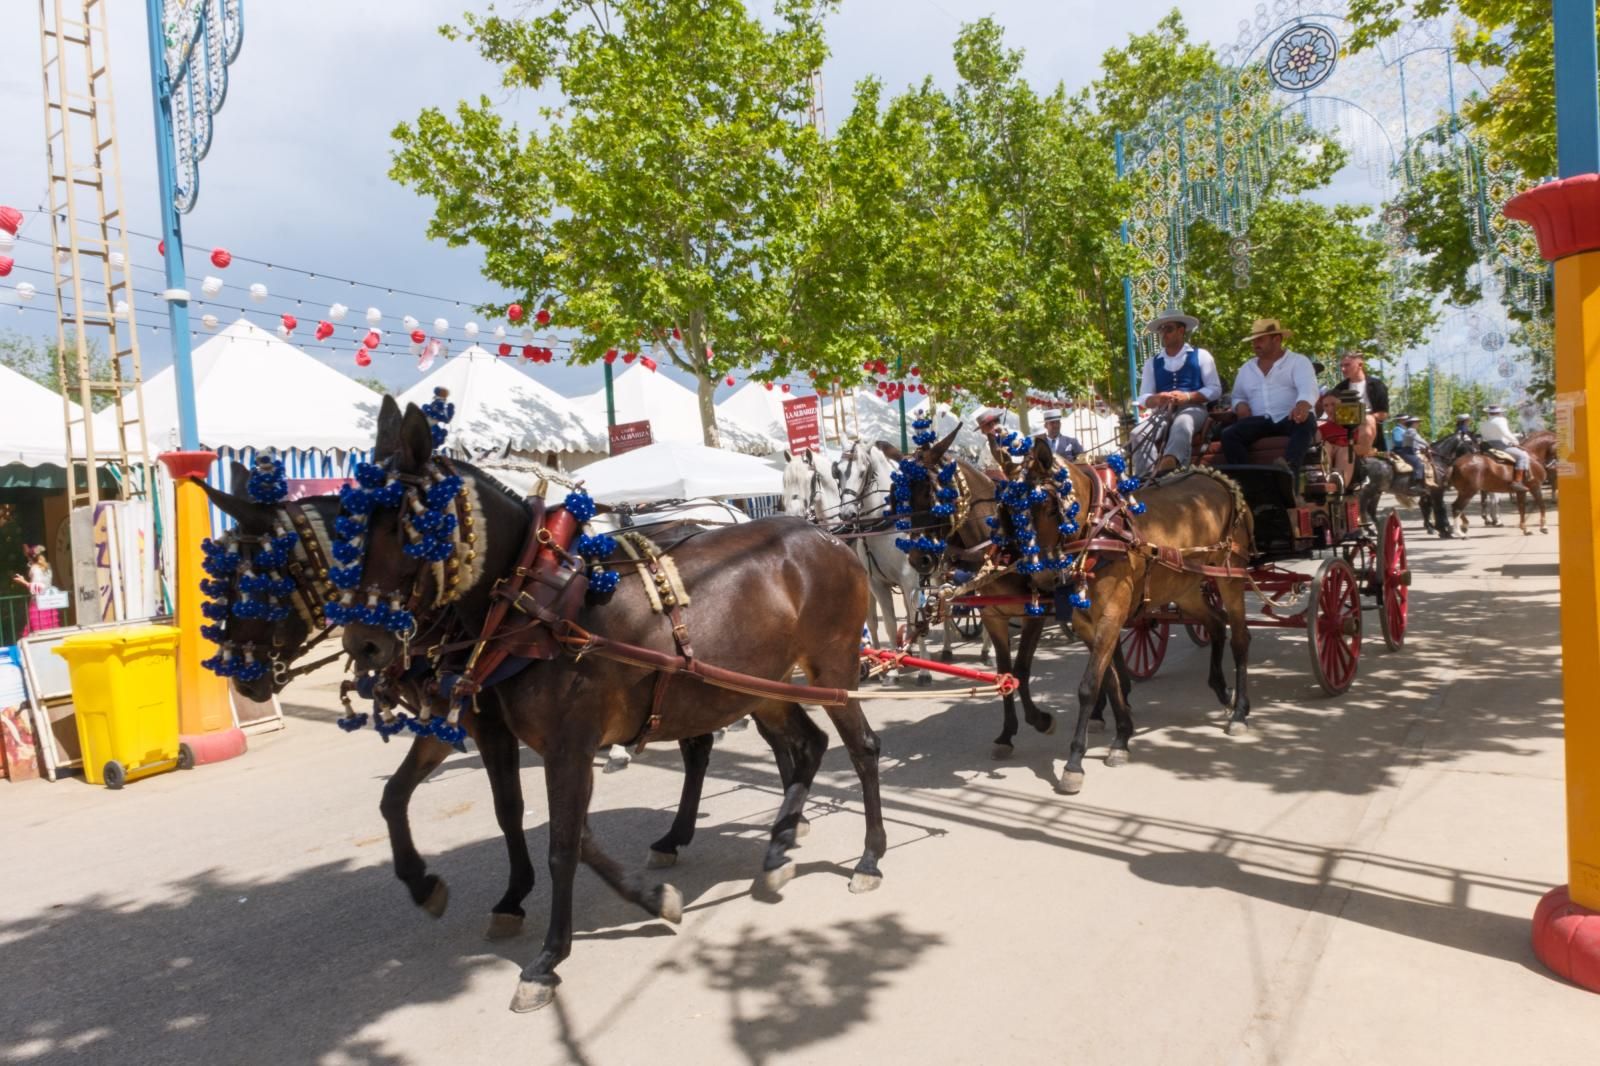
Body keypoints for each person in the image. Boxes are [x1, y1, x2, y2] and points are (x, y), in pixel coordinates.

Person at [1220, 318, 1320, 472]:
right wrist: (1240, 405)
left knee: (1306, 423)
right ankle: (1247, 479)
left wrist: (1302, 405)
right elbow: (1238, 396)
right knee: (1229, 435)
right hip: (1259, 421)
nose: (1255, 344)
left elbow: (1308, 387)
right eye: (1254, 341)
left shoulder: (1298, 361)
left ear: (1277, 339)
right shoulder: (1246, 368)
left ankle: (1288, 470)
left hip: (1291, 418)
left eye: (1260, 339)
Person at [1131, 308, 1222, 477]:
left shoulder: (1201, 355)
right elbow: (1143, 398)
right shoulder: (1152, 363)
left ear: (1181, 331)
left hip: (1194, 409)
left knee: (1183, 423)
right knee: (1137, 433)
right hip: (1162, 412)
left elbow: (1215, 389)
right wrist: (1157, 399)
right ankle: (1147, 477)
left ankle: (1171, 467)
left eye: (1169, 329)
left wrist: (1187, 397)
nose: (1164, 333)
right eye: (1161, 329)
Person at [1333, 349, 1389, 457]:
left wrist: (1361, 418)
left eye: (1347, 365)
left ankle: (1362, 450)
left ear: (1360, 365)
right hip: (1344, 430)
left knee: (1367, 420)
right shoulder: (1340, 388)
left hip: (1369, 430)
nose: (1343, 369)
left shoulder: (1377, 385)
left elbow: (1383, 414)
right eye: (1341, 366)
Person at [12, 544, 62, 636]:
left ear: (31, 558)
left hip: (38, 604)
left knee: (38, 631)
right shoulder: (48, 567)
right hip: (49, 603)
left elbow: (37, 588)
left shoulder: (35, 568)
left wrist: (23, 581)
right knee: (50, 630)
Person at [1479, 404, 1532, 482]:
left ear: (1488, 413)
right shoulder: (1501, 420)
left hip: (1488, 446)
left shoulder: (1483, 423)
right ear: (1499, 412)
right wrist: (1515, 442)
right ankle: (1518, 481)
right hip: (1500, 446)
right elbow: (1506, 433)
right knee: (1523, 456)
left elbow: (1486, 436)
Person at [1315, 393, 1355, 487]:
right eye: (1326, 405)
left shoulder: (1354, 424)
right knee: (1325, 446)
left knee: (1345, 450)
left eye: (1333, 404)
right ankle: (1327, 480)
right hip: (1329, 456)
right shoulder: (1321, 429)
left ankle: (1340, 484)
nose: (1330, 409)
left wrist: (1338, 447)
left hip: (1350, 457)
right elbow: (1318, 447)